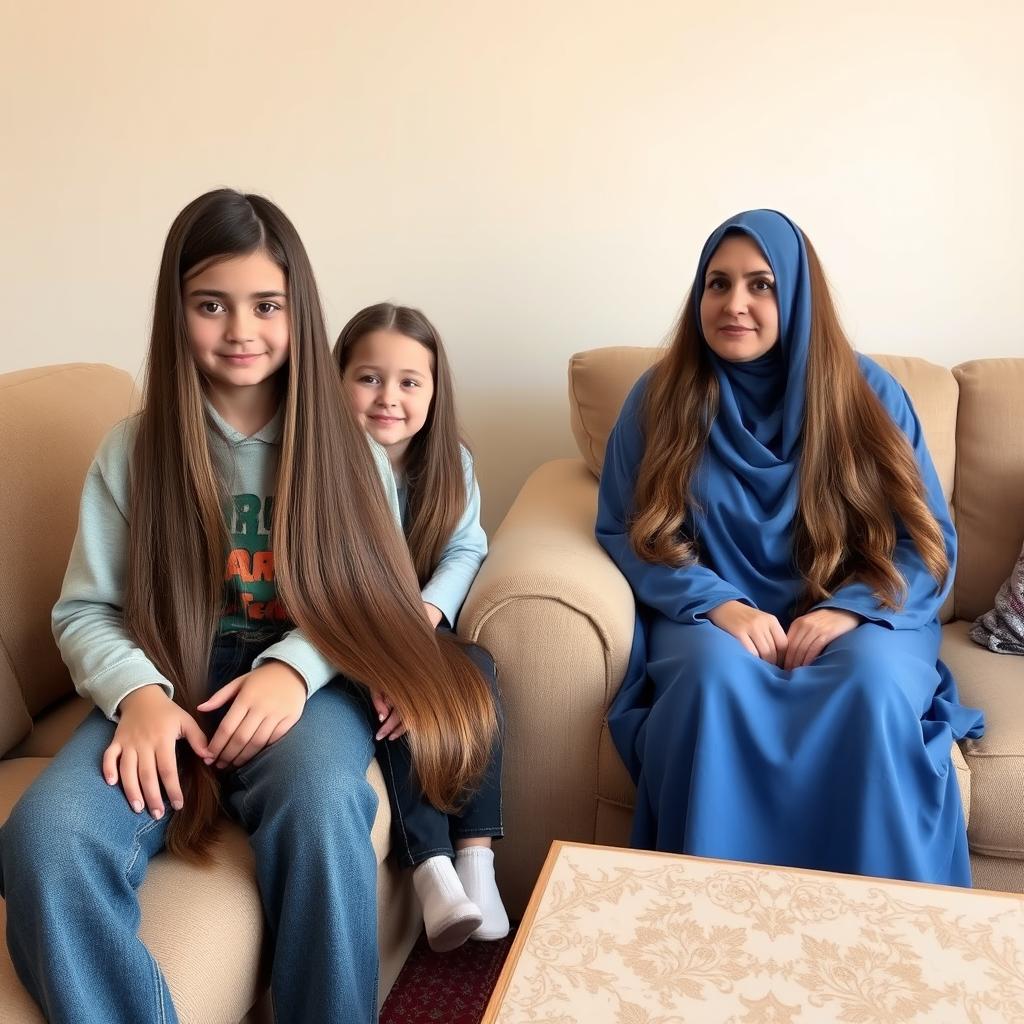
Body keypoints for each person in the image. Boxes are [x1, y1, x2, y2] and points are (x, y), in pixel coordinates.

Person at [0, 190, 496, 1023]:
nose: (241, 330)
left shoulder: (349, 451)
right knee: (46, 840)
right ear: (176, 312)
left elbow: (371, 595)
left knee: (322, 807)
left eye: (266, 305)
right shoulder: (133, 450)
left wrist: (294, 671)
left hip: (304, 685)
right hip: (164, 682)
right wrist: (140, 697)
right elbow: (85, 610)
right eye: (210, 305)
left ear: (297, 310)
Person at [597, 209, 984, 886]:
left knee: (870, 687)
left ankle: (873, 928)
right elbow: (633, 531)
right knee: (712, 685)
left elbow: (925, 543)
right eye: (717, 285)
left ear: (798, 295)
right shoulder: (659, 397)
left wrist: (851, 611)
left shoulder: (869, 395)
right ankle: (712, 924)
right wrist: (719, 604)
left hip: (864, 613)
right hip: (714, 617)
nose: (734, 304)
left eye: (761, 285)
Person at [335, 303, 509, 951]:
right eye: (368, 378)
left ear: (434, 393)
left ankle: (476, 861)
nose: (389, 398)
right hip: (346, 637)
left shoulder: (450, 464)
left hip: (416, 620)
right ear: (336, 384)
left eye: (410, 382)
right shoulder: (323, 470)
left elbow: (467, 548)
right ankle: (431, 867)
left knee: (478, 669)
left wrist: (429, 610)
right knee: (396, 700)